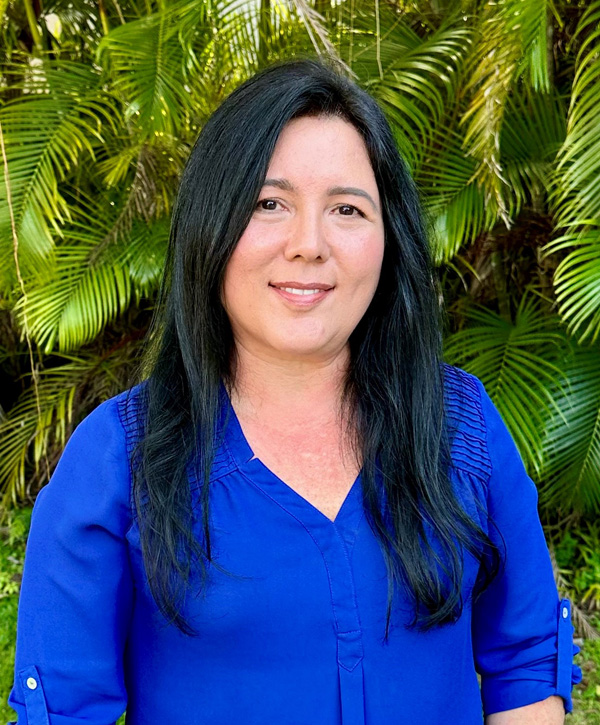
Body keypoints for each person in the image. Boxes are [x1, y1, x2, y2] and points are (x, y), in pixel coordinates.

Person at [8, 57, 581, 725]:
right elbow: (64, 708)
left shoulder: (462, 427)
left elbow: (525, 664)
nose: (309, 244)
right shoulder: (116, 462)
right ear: (211, 225)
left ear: (389, 237)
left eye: (346, 208)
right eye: (269, 203)